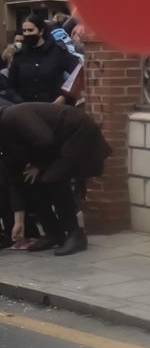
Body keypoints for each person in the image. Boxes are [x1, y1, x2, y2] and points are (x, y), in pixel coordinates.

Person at [0, 102, 111, 255]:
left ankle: (75, 234)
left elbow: (45, 139)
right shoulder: (4, 142)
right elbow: (14, 179)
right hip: (54, 146)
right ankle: (53, 233)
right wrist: (18, 222)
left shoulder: (13, 116)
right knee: (33, 181)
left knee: (55, 178)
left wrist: (38, 165)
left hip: (77, 132)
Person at [1, 13, 82, 106]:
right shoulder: (20, 55)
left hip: (54, 107)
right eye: (24, 31)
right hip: (26, 108)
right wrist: (19, 102)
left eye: (30, 30)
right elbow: (10, 85)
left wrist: (64, 97)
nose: (27, 34)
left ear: (41, 31)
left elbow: (78, 73)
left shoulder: (58, 52)